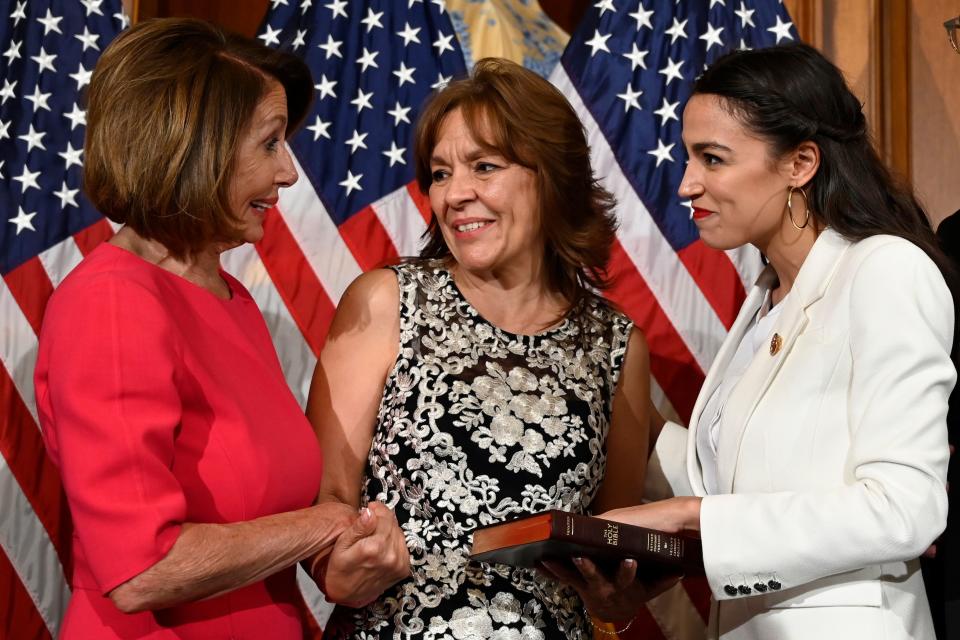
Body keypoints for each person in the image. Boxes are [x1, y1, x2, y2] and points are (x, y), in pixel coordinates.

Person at [572, 43, 956, 640]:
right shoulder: (767, 299)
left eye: (713, 158)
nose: (686, 185)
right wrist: (598, 396)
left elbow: (905, 508)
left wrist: (691, 517)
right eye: (687, 157)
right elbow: (734, 480)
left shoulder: (886, 269)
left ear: (800, 163)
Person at [33, 18, 393, 639]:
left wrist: (341, 561)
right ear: (197, 146)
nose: (289, 173)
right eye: (270, 143)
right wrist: (325, 523)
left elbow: (256, 511)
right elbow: (141, 568)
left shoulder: (228, 299)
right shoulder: (112, 303)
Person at [306, 57, 656, 638]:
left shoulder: (617, 347)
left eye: (484, 167)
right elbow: (327, 498)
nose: (455, 194)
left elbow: (611, 543)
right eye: (440, 174)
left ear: (552, 177)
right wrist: (335, 565)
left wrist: (618, 597)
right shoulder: (387, 301)